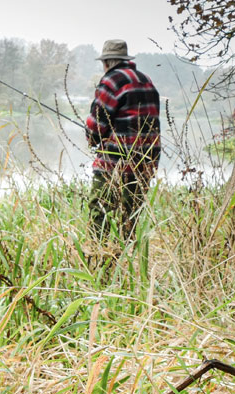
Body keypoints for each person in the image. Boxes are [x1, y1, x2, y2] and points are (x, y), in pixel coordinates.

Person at [85, 39, 161, 242]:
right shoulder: (146, 80)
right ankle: (127, 264)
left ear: (107, 62)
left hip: (115, 165)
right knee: (129, 219)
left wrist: (92, 139)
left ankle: (99, 261)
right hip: (145, 165)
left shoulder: (112, 81)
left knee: (99, 212)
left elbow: (96, 127)